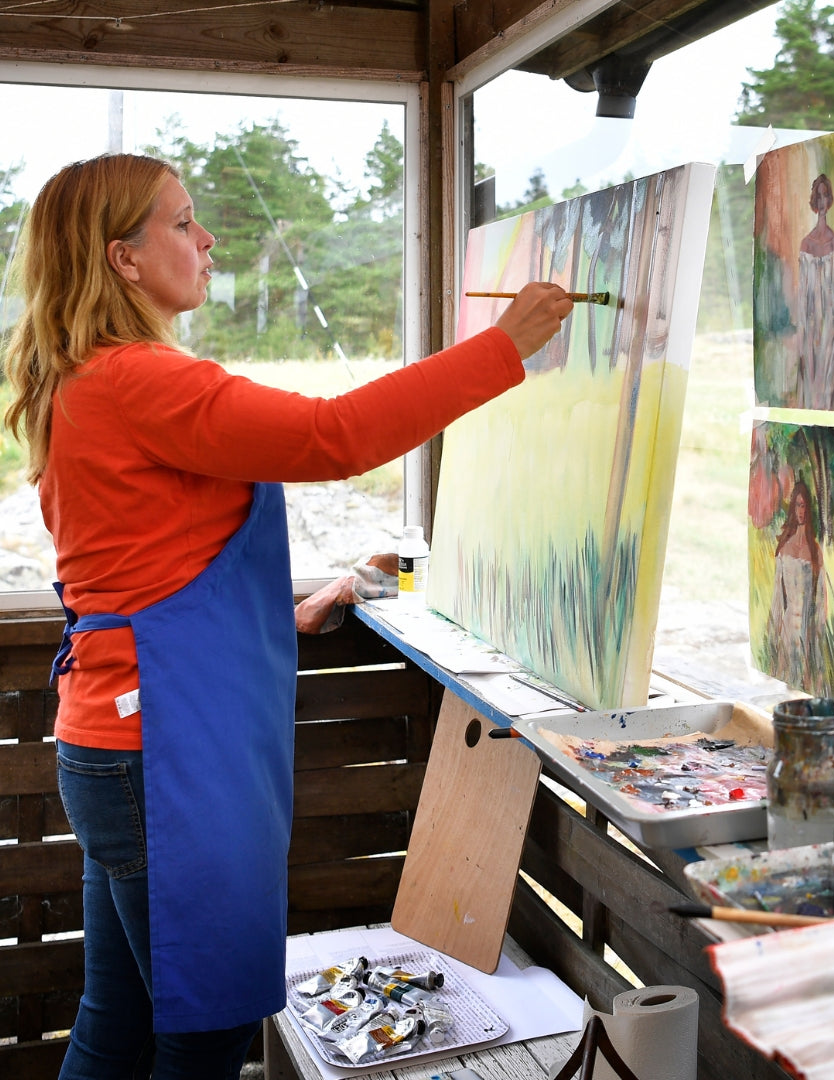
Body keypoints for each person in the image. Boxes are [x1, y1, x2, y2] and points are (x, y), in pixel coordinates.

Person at [2, 153, 573, 1080]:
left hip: (119, 745)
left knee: (116, 1024)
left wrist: (274, 612)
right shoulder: (141, 380)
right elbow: (332, 436)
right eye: (183, 223)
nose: (207, 238)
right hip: (165, 756)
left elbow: (142, 564)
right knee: (206, 1039)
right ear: (124, 259)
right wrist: (500, 347)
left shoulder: (83, 380)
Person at [766, 479, 826, 691]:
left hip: (808, 631)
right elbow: (777, 598)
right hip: (788, 629)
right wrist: (774, 629)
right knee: (786, 683)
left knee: (806, 684)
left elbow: (820, 599)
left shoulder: (815, 550)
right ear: (793, 508)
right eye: (797, 505)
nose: (801, 511)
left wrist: (818, 632)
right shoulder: (785, 547)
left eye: (804, 506)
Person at [796, 173, 834, 411]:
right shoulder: (806, 243)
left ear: (830, 200)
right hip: (810, 316)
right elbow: (804, 288)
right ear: (814, 201)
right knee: (811, 361)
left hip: (830, 314)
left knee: (827, 360)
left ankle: (826, 408)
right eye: (819, 195)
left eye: (826, 195)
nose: (823, 200)